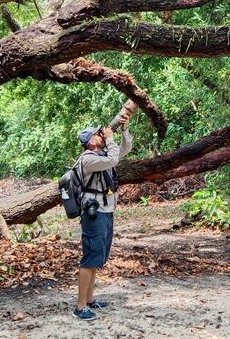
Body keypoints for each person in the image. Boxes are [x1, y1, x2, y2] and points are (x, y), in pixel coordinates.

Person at [73, 113, 133, 321]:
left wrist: (124, 130)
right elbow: (114, 157)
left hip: (106, 211)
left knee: (99, 256)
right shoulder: (88, 159)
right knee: (90, 257)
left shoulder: (102, 156)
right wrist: (111, 139)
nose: (103, 133)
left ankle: (90, 300)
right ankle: (81, 307)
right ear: (91, 141)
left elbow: (123, 152)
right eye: (98, 133)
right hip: (94, 212)